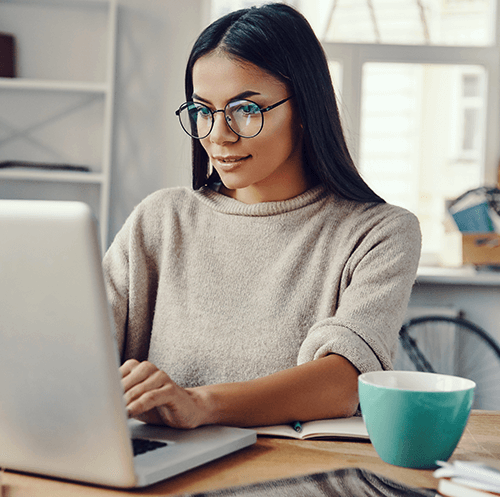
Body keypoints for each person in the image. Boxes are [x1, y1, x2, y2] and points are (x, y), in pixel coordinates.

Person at [103, 3, 421, 430]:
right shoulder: (159, 220)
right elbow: (81, 345)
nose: (218, 135)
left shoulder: (379, 233)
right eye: (202, 111)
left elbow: (342, 382)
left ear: (305, 110)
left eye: (245, 110)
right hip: (159, 476)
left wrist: (200, 404)